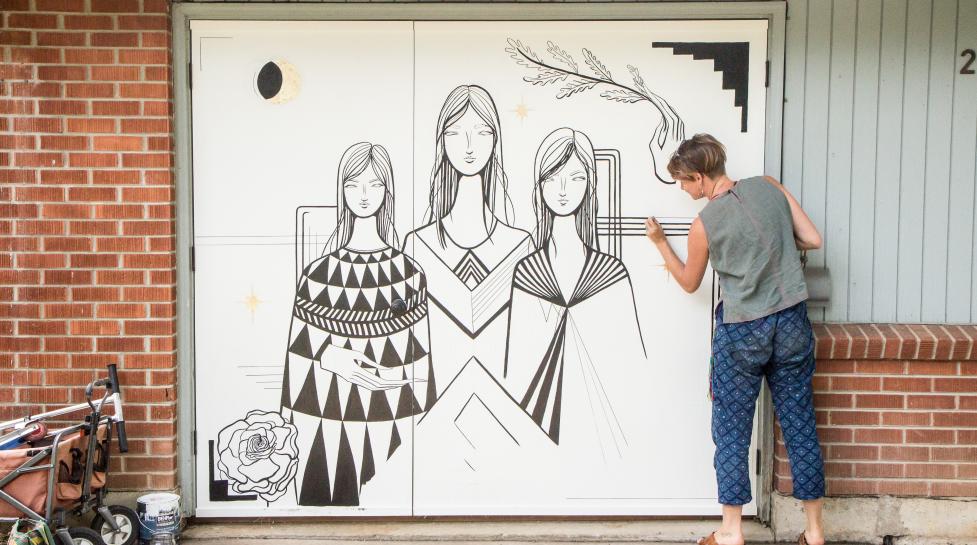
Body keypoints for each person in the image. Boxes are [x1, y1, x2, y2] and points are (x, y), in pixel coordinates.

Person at [645, 134, 825, 545]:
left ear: (699, 177)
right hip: (793, 323)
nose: (684, 191)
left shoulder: (704, 225)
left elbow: (690, 282)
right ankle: (814, 533)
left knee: (730, 432)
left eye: (684, 183)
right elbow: (813, 239)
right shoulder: (769, 185)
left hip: (743, 330)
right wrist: (776, 243)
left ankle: (730, 531)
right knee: (800, 426)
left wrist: (660, 244)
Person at [280, 142, 434, 506]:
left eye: (375, 184)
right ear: (341, 190)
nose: (364, 195)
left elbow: (422, 371)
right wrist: (329, 358)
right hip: (325, 420)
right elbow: (296, 370)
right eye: (353, 184)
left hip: (393, 419)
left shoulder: (410, 274)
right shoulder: (317, 276)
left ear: (387, 191)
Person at [505, 127, 646, 461]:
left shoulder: (611, 274)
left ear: (590, 186)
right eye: (552, 179)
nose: (563, 190)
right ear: (539, 187)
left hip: (608, 430)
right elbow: (517, 367)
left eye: (576, 178)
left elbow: (632, 363)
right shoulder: (527, 272)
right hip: (536, 427)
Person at [404, 84, 533, 390]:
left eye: (481, 132)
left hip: (506, 403)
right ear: (442, 141)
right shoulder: (418, 245)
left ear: (495, 139)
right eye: (455, 132)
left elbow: (528, 344)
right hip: (432, 405)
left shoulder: (520, 245)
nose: (469, 145)